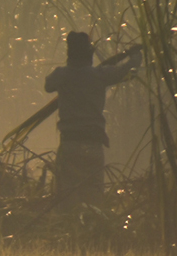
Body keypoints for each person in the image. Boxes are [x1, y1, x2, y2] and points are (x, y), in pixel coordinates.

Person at [44, 32, 142, 207]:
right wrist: (135, 54)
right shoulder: (100, 74)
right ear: (89, 53)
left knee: (67, 199)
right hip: (93, 144)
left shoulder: (62, 75)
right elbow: (130, 71)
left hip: (70, 144)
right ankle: (93, 230)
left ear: (70, 54)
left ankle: (71, 230)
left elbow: (48, 85)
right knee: (94, 198)